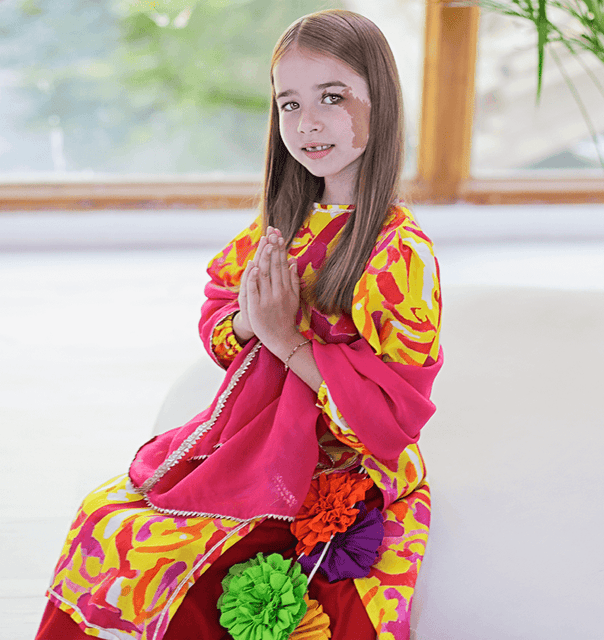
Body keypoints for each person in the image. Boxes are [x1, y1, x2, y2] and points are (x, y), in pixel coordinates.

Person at [36, 9, 443, 640]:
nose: (306, 123)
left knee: (194, 563)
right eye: (288, 103)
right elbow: (219, 310)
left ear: (379, 105)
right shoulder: (281, 226)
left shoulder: (397, 251)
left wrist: (287, 338)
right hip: (252, 442)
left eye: (332, 98)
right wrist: (252, 325)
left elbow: (390, 418)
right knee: (105, 518)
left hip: (337, 466)